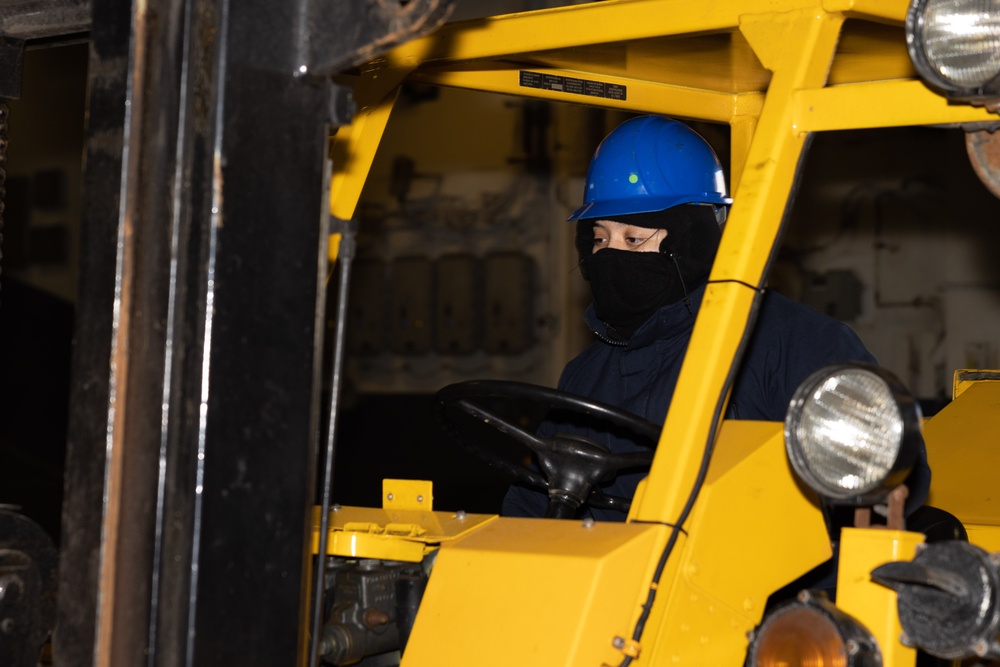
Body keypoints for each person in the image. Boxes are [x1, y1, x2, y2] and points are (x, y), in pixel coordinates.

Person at [502, 115, 930, 521]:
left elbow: (887, 475)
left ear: (692, 241)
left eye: (633, 238)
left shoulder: (791, 344)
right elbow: (532, 507)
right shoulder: (586, 376)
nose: (610, 256)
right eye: (599, 239)